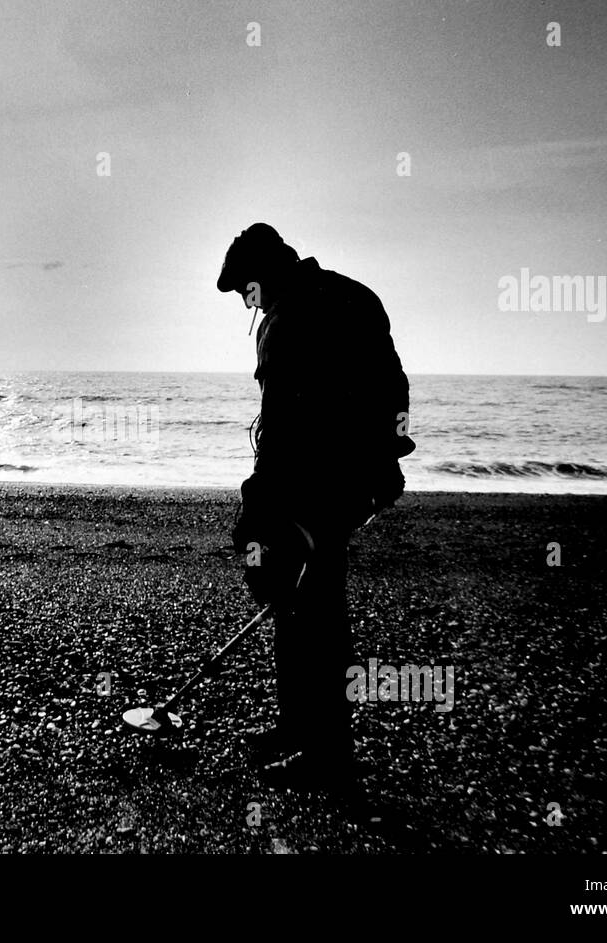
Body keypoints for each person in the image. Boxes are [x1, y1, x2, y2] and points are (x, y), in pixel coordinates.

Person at [219, 223, 415, 797]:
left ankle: (327, 757)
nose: (247, 304)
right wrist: (386, 464)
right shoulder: (356, 295)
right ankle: (298, 731)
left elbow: (282, 427)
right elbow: (396, 390)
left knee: (313, 611)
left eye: (246, 293)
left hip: (313, 486)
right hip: (359, 481)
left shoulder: (288, 318)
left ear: (266, 274)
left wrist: (255, 509)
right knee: (302, 601)